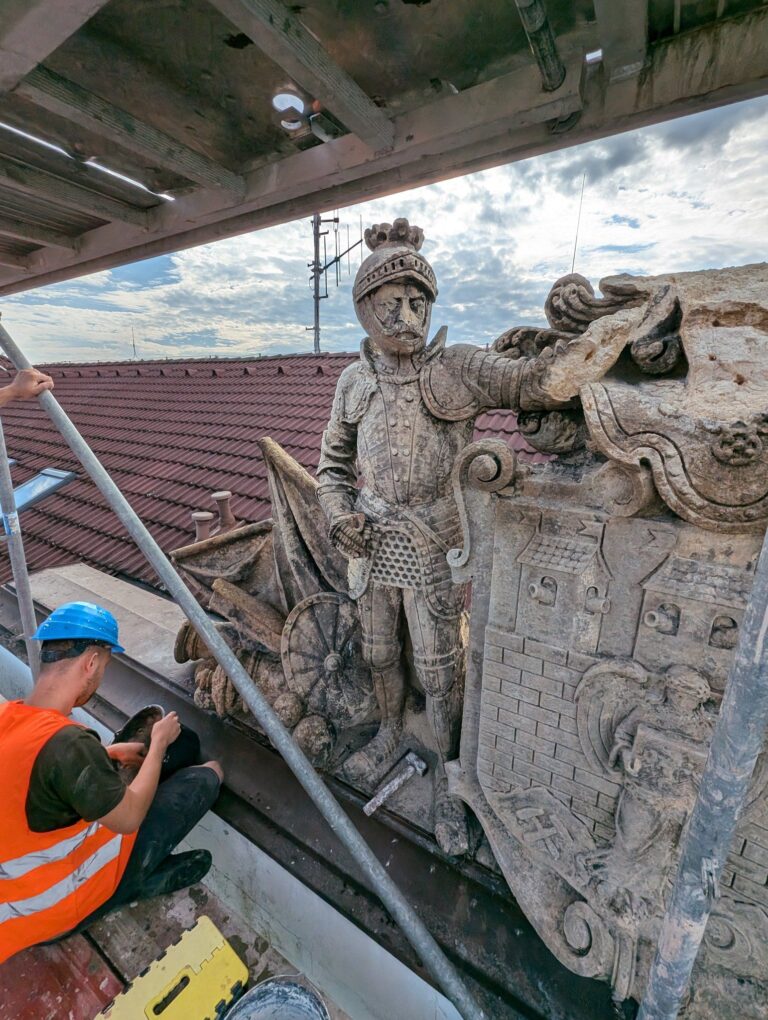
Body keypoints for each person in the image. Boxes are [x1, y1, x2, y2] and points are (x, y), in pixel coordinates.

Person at [317, 218, 637, 854]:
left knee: (439, 670)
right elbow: (332, 464)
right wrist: (338, 513)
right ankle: (386, 732)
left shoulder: (456, 370)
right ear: (365, 308)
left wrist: (604, 335)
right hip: (371, 539)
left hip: (434, 541)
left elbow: (532, 383)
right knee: (379, 652)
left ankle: (449, 779)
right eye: (393, 303)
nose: (408, 313)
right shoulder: (354, 383)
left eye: (419, 301)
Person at [0, 601, 223, 964]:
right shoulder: (69, 745)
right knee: (208, 776)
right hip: (62, 903)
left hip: (21, 911)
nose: (99, 677)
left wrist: (105, 754)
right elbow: (130, 817)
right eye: (102, 667)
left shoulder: (9, 717)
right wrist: (159, 744)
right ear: (89, 663)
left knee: (151, 770)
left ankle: (125, 883)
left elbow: (33, 779)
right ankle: (126, 886)